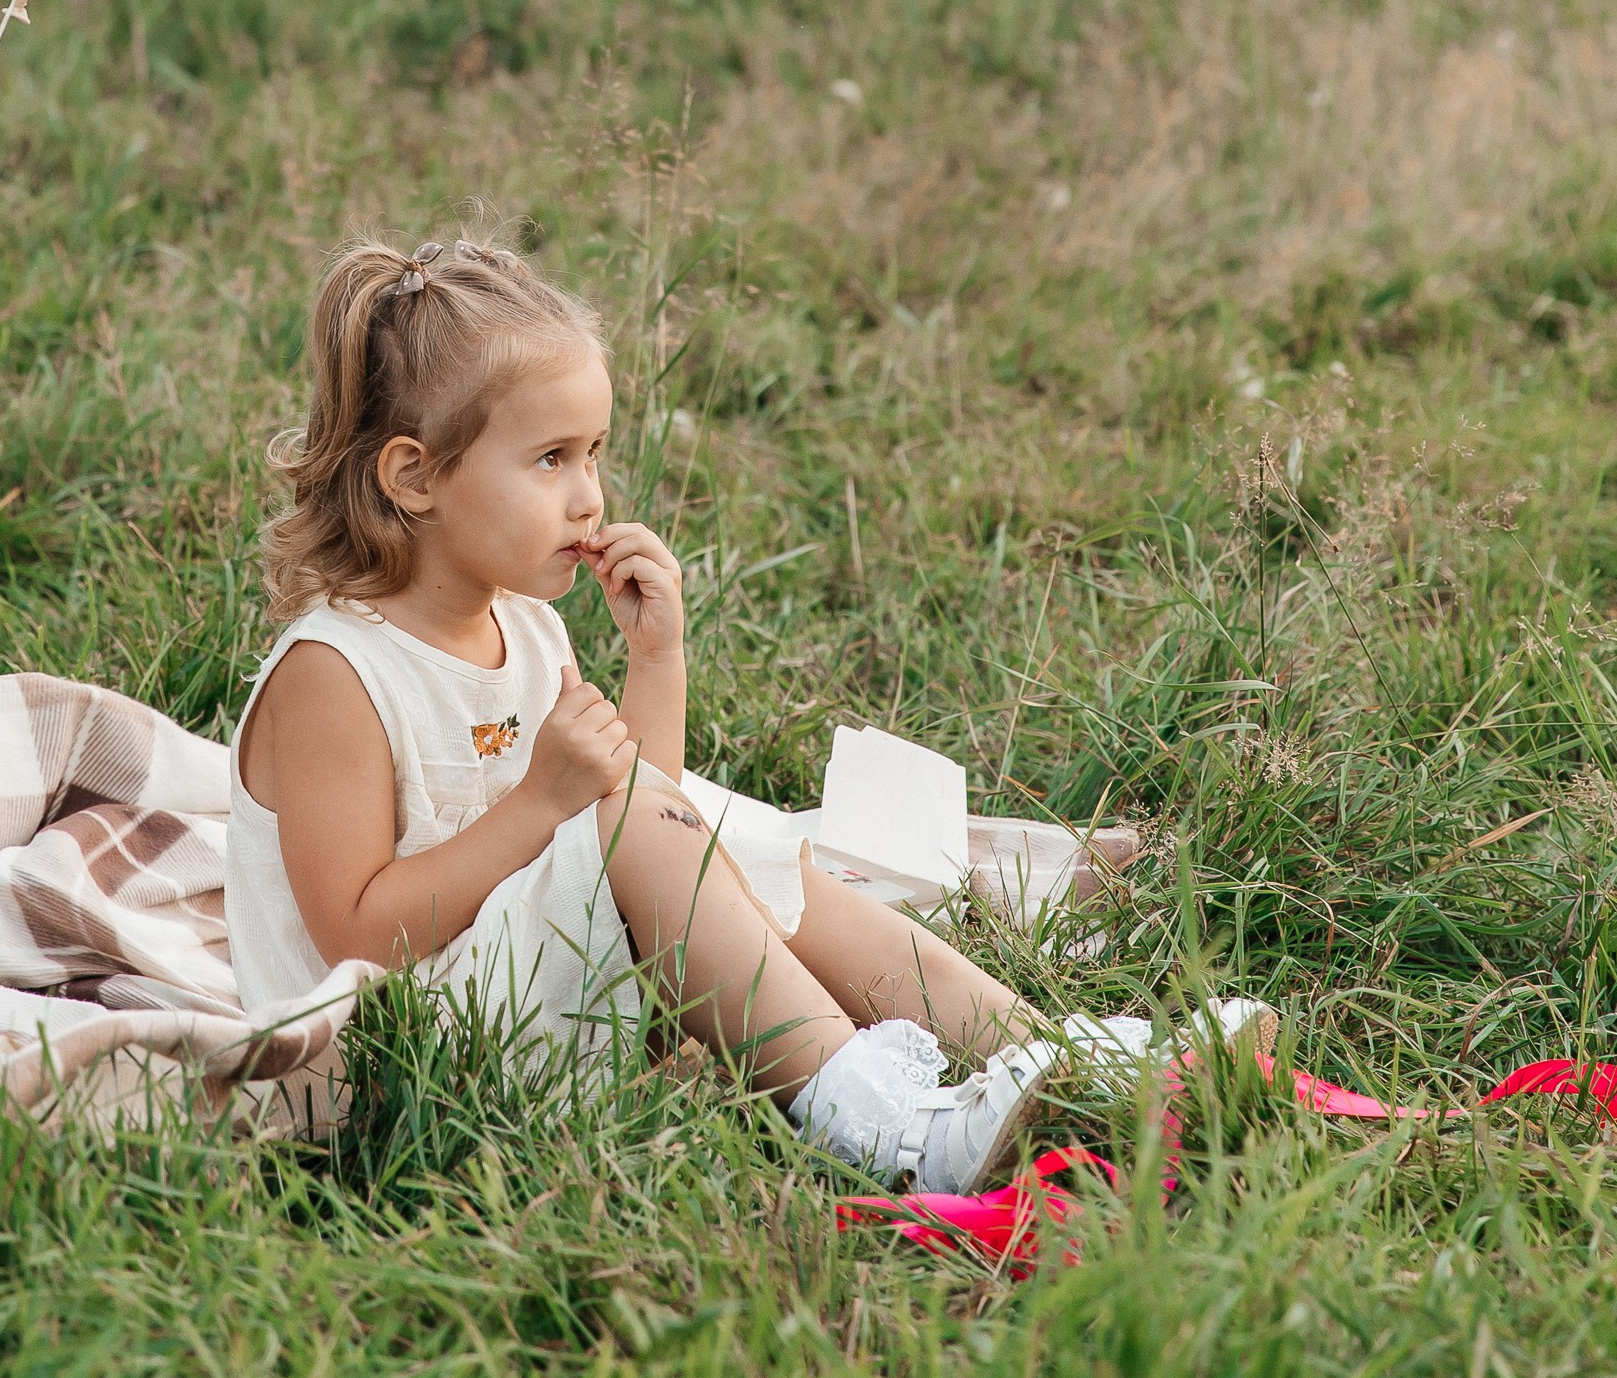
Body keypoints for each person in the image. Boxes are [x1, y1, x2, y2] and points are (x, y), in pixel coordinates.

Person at [227, 233, 1264, 1189]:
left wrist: (654, 661)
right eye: (549, 459)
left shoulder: (520, 626)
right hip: (390, 1068)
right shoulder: (335, 673)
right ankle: (891, 1126)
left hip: (520, 993)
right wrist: (541, 800)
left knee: (734, 830)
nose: (589, 495)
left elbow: (647, 828)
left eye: (592, 452)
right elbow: (353, 933)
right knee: (667, 818)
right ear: (413, 476)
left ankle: (1047, 1048)